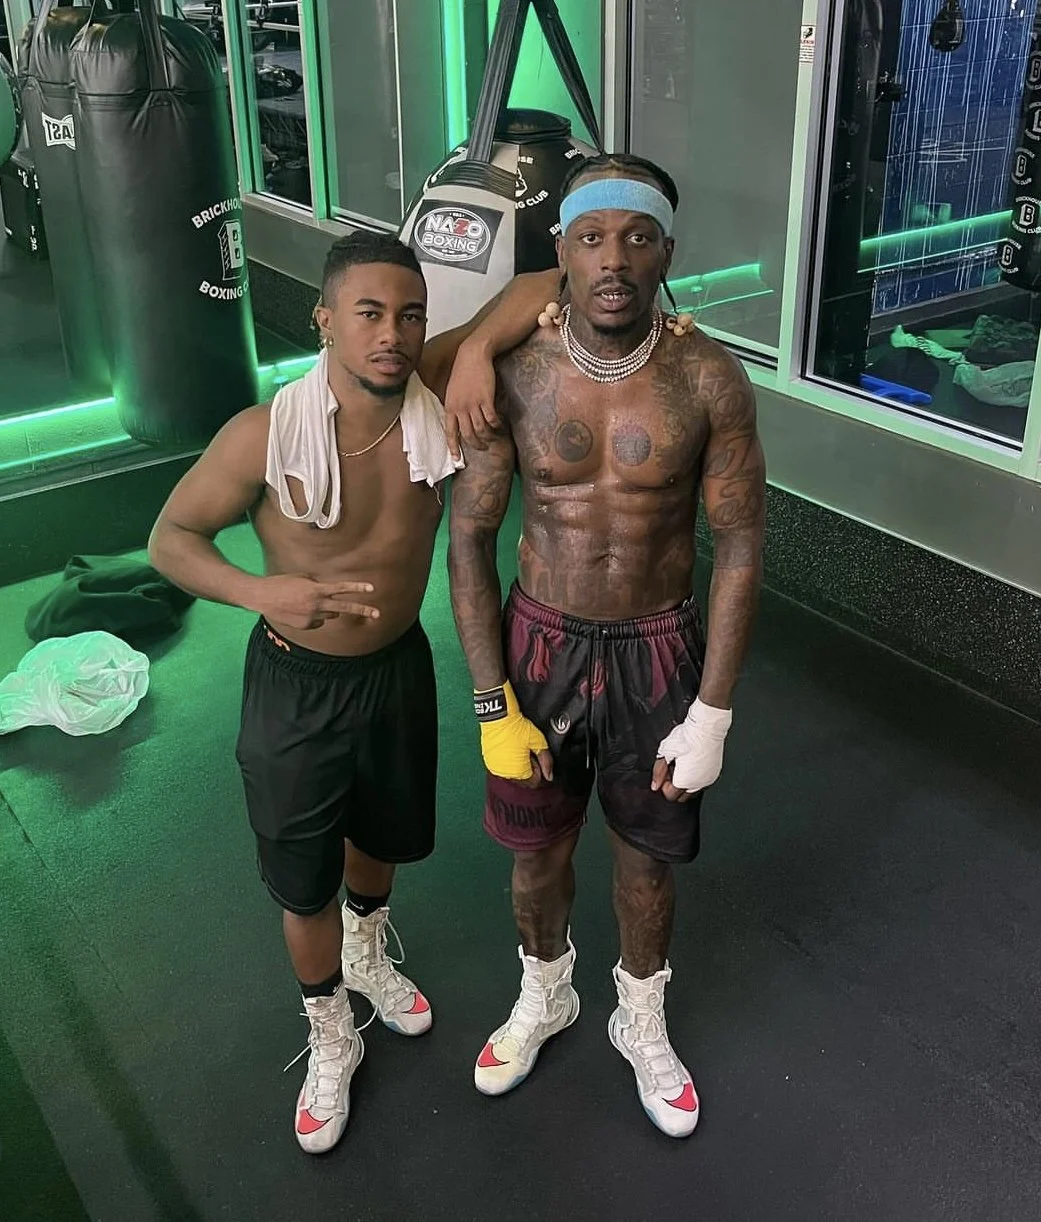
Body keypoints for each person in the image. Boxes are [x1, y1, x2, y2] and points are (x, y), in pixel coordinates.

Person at [148, 230, 560, 1154]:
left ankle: (367, 951)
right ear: (324, 319)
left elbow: (544, 279)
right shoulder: (263, 432)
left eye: (410, 316)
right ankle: (329, 1028)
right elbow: (170, 539)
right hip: (295, 682)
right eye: (368, 313)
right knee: (305, 882)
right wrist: (262, 591)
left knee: (381, 836)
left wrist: (475, 351)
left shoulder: (430, 388)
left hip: (395, 670)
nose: (391, 334)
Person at [447, 153, 766, 1138]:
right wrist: (491, 702)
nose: (613, 260)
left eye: (636, 238)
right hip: (539, 642)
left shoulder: (708, 377)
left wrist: (712, 713)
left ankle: (640, 1012)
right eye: (591, 239)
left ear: (669, 252)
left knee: (645, 859)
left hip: (656, 647)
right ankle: (545, 992)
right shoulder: (515, 371)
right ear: (562, 253)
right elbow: (468, 539)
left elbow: (740, 544)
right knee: (535, 853)